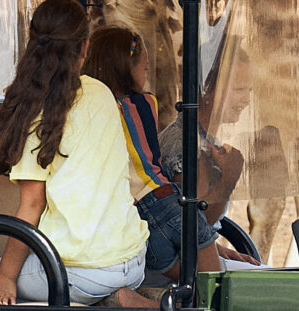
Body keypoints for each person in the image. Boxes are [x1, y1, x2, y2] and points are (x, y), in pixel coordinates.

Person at [0, 0, 152, 307]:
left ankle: (109, 300)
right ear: (85, 47)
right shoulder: (100, 92)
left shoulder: (38, 112)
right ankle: (116, 298)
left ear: (32, 43)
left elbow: (31, 206)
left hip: (84, 271)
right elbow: (47, 142)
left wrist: (5, 279)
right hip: (133, 260)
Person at [85, 25, 249, 281]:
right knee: (212, 289)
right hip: (159, 212)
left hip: (147, 223)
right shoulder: (182, 142)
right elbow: (194, 221)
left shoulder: (96, 111)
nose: (247, 99)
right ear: (206, 87)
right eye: (239, 89)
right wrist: (228, 178)